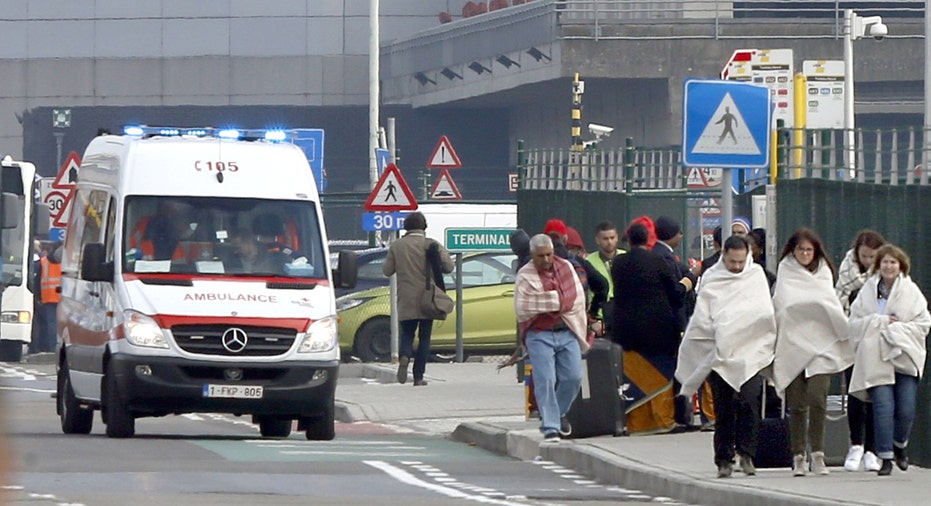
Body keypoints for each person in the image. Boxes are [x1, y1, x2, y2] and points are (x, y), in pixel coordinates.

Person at [676, 235, 777, 478]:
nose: (737, 267)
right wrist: (723, 330)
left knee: (749, 402)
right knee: (724, 407)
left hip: (750, 351)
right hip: (720, 353)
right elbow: (703, 317)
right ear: (724, 257)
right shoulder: (713, 278)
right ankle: (723, 458)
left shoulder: (755, 277)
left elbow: (763, 312)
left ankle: (748, 454)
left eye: (741, 262)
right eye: (732, 262)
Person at [771, 228, 853, 477]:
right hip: (793, 345)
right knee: (796, 404)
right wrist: (809, 308)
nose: (805, 254)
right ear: (792, 251)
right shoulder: (786, 273)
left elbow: (828, 305)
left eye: (809, 250)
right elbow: (783, 305)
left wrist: (812, 309)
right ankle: (798, 455)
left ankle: (818, 453)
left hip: (822, 347)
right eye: (800, 250)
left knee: (818, 399)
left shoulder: (824, 274)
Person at [848, 244, 930, 476]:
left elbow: (923, 325)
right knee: (883, 407)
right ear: (878, 265)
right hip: (875, 356)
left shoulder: (911, 292)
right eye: (885, 262)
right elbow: (854, 323)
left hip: (904, 355)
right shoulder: (867, 291)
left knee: (905, 409)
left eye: (893, 262)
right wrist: (877, 321)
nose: (888, 266)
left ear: (901, 265)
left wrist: (897, 328)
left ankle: (899, 445)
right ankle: (884, 458)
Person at [611, 222, 693, 434]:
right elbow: (675, 294)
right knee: (661, 374)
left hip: (627, 332)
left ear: (628, 240)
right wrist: (689, 280)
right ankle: (662, 420)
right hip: (660, 331)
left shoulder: (618, 264)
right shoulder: (659, 261)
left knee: (635, 376)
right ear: (649, 240)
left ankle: (638, 422)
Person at [514, 233, 587, 443]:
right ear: (532, 255)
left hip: (567, 331)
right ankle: (551, 427)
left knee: (573, 378)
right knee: (546, 380)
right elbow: (524, 307)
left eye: (549, 255)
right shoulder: (525, 275)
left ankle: (557, 413)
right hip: (539, 335)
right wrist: (558, 299)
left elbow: (576, 298)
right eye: (540, 256)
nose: (546, 260)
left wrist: (550, 300)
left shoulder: (566, 267)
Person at [835, 229, 886, 472]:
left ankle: (873, 450)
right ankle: (856, 444)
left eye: (872, 257)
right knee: (855, 391)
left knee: (876, 393)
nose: (868, 262)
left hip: (877, 340)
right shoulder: (847, 270)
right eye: (864, 256)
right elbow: (838, 299)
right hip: (851, 337)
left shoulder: (886, 274)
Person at [383, 211, 454, 386]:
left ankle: (405, 356)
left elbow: (387, 271)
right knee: (424, 338)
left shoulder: (397, 246)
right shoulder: (431, 245)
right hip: (427, 298)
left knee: (407, 334)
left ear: (406, 227)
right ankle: (418, 377)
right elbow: (449, 267)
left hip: (406, 299)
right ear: (424, 226)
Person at [653, 216, 698, 427]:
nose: (681, 236)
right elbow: (675, 292)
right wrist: (691, 277)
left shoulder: (659, 255)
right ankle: (680, 415)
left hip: (664, 324)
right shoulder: (665, 259)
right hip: (673, 322)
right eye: (679, 233)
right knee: (679, 370)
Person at [32, 241, 62, 353]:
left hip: (48, 297)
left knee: (51, 324)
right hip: (64, 297)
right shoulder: (68, 261)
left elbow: (38, 281)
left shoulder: (44, 262)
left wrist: (38, 297)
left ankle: (51, 348)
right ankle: (60, 347)